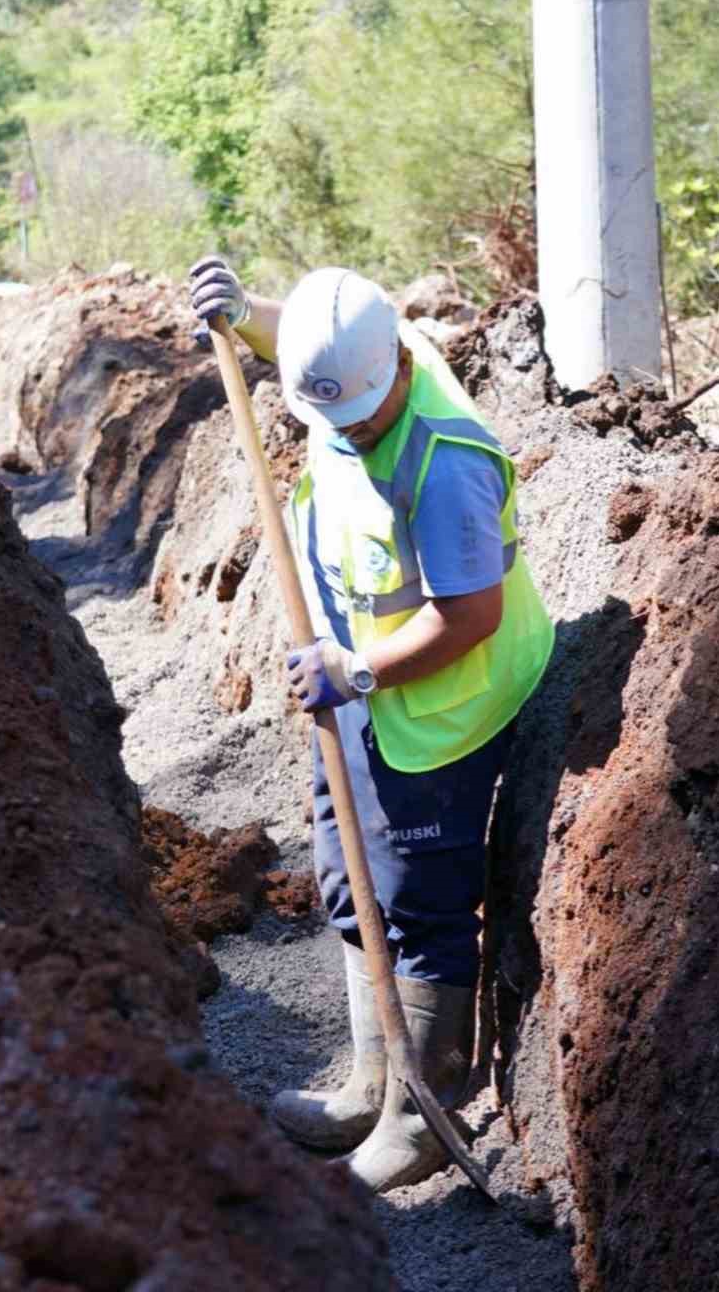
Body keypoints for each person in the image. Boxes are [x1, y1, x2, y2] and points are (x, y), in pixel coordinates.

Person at [188, 255, 554, 1192]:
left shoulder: (446, 464)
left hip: (441, 705)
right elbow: (312, 344)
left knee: (421, 903)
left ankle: (420, 1114)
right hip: (361, 687)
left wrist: (357, 670)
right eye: (331, 412)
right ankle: (373, 1076)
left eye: (358, 413)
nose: (347, 429)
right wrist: (247, 314)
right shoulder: (356, 366)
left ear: (399, 367)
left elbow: (468, 615)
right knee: (348, 878)